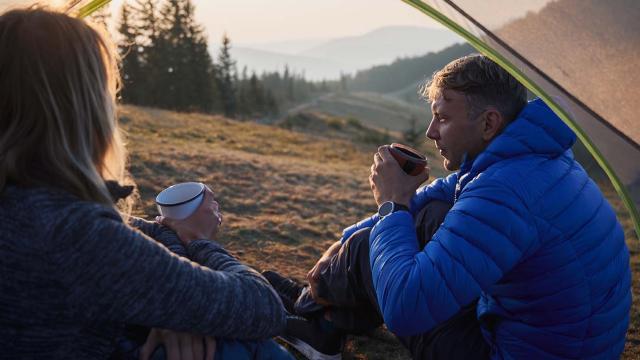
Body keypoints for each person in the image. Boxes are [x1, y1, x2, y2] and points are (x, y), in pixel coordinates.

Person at [264, 55, 632, 359]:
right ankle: (319, 310)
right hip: (562, 342)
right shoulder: (530, 156)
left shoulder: (503, 192)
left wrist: (392, 205)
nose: (430, 132)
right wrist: (352, 234)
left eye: (442, 118)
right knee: (422, 218)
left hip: (512, 352)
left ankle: (315, 323)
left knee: (375, 246)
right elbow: (440, 194)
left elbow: (405, 309)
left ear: (489, 122)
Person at [0, 7, 294, 359]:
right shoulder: (69, 230)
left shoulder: (23, 202)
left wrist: (170, 304)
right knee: (239, 347)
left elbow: (130, 234)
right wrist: (200, 241)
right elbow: (261, 307)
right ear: (83, 110)